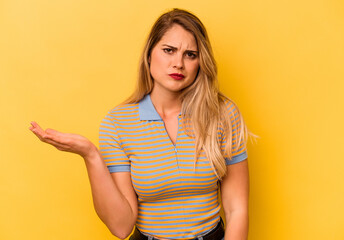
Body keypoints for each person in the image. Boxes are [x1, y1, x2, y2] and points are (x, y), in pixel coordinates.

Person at [29, 8, 249, 240]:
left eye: (190, 54)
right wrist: (90, 154)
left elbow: (237, 209)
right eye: (168, 50)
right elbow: (122, 226)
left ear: (200, 62)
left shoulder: (223, 113)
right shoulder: (117, 123)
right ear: (149, 55)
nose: (178, 63)